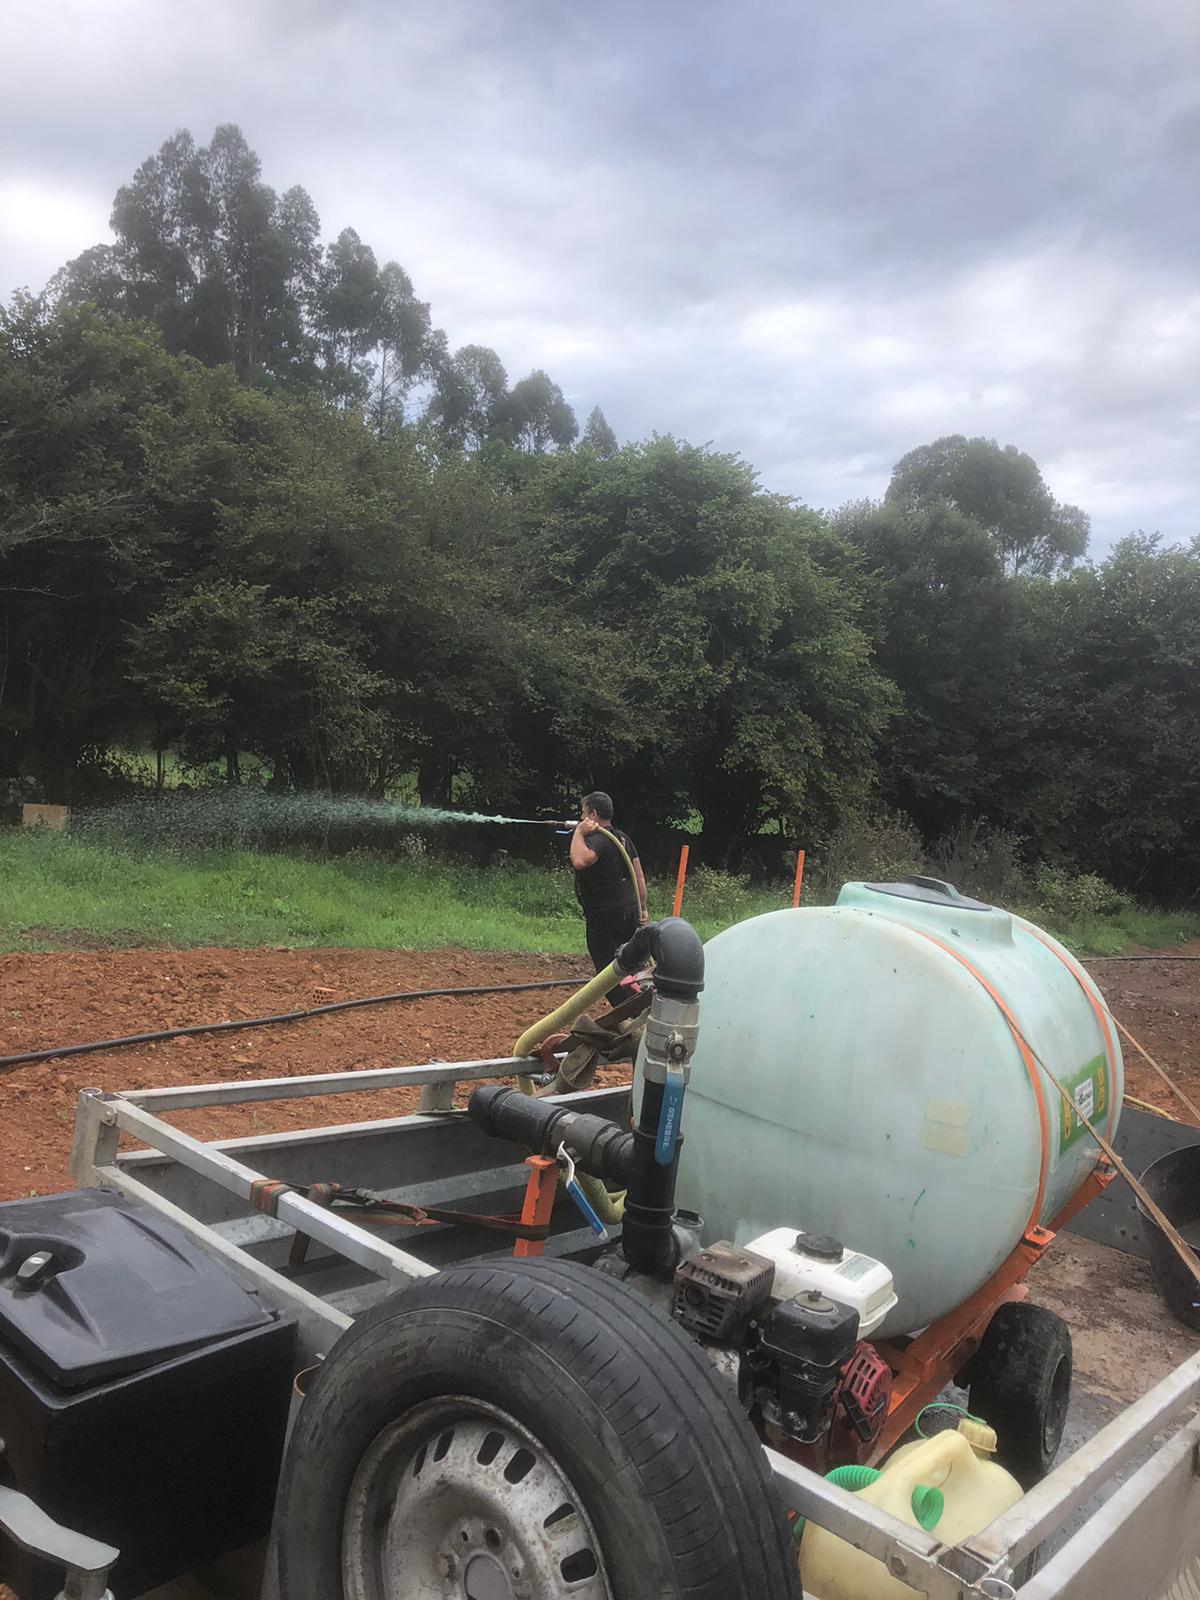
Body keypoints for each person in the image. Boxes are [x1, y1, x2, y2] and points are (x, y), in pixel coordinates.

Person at [570, 791, 649, 986]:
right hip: (629, 911)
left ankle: (627, 1003)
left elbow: (579, 861)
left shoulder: (597, 839)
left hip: (605, 917)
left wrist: (579, 832)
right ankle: (639, 995)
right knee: (629, 962)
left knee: (608, 971)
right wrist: (643, 909)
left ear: (593, 814)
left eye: (583, 813)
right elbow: (639, 875)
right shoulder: (623, 838)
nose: (581, 817)